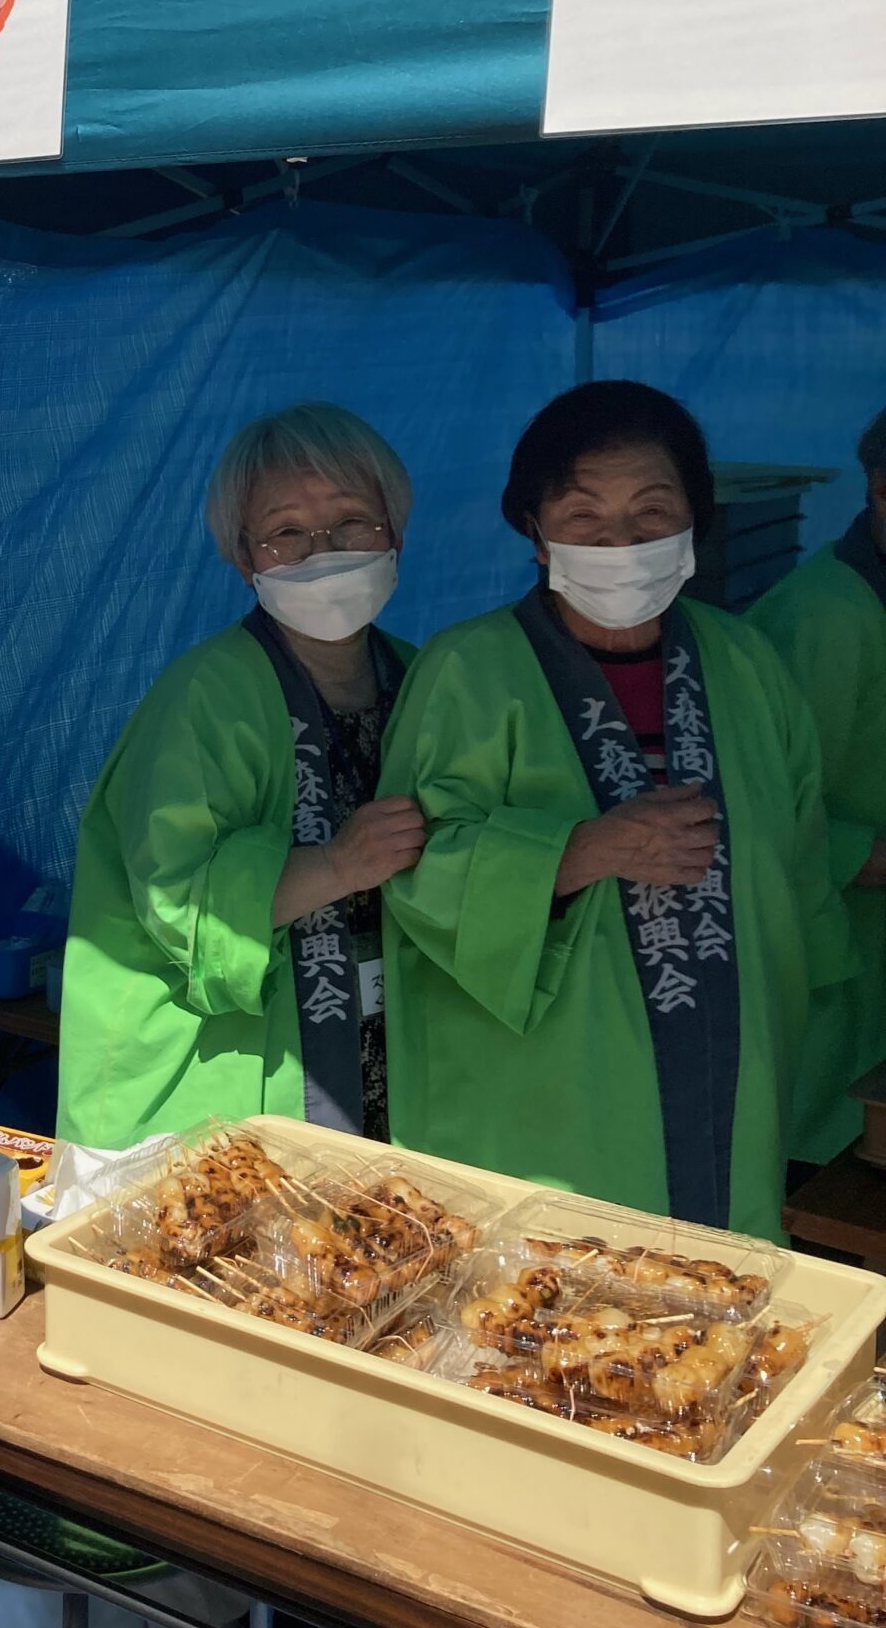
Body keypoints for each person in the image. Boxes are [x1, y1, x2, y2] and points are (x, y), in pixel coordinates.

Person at [380, 380, 857, 1242]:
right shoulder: (468, 670)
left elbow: (801, 862)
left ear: (692, 522)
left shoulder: (747, 663)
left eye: (651, 511)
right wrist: (577, 850)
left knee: (722, 1307)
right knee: (550, 1312)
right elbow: (413, 866)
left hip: (733, 1061)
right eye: (584, 516)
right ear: (534, 531)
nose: (621, 542)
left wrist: (815, 1067)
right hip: (543, 1090)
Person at [58, 402, 425, 1153]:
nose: (324, 551)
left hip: (391, 1051)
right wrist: (339, 866)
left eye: (354, 521)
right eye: (287, 533)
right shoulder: (204, 695)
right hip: (237, 1073)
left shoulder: (420, 678)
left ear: (398, 529)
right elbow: (178, 905)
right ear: (242, 555)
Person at [747, 403, 886, 1167]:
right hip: (830, 972)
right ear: (880, 489)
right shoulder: (825, 617)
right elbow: (765, 816)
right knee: (826, 1177)